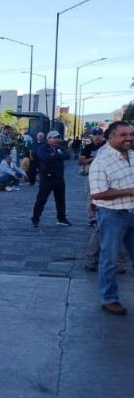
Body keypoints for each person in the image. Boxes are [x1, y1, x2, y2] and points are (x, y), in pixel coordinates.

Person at [88, 121, 134, 316]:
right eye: (123, 135)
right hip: (113, 215)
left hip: (132, 211)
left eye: (131, 134)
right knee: (110, 259)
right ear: (110, 137)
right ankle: (110, 299)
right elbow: (97, 194)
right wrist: (130, 192)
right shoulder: (102, 160)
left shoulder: (131, 154)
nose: (129, 138)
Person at [31, 130, 71, 227]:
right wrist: (58, 156)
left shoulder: (60, 148)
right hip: (47, 178)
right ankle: (35, 218)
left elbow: (67, 155)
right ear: (48, 138)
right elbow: (46, 158)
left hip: (59, 177)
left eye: (58, 137)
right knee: (41, 199)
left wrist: (55, 155)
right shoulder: (43, 148)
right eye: (55, 137)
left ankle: (61, 218)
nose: (57, 140)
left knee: (61, 199)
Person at [80, 127, 107, 226]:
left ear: (103, 135)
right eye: (95, 134)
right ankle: (92, 217)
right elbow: (81, 161)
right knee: (91, 196)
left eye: (99, 134)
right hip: (92, 175)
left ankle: (103, 215)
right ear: (92, 136)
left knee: (105, 195)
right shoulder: (88, 148)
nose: (97, 137)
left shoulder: (107, 146)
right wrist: (93, 158)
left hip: (106, 175)